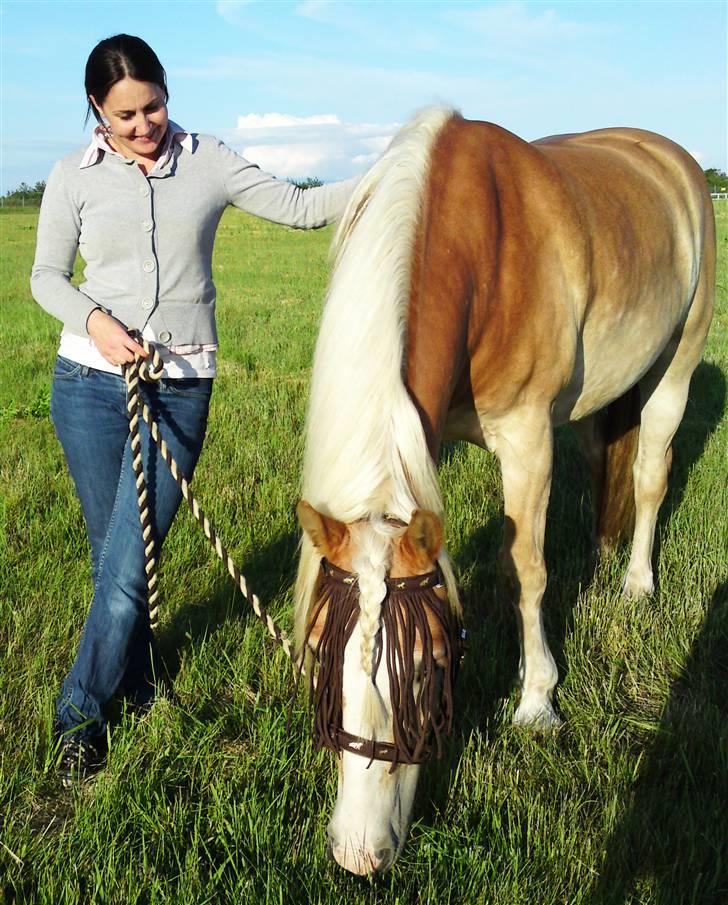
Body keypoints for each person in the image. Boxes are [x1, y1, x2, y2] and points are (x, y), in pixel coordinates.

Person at [31, 34, 359, 787]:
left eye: (153, 106)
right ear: (96, 111)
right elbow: (46, 275)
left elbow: (305, 209)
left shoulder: (208, 159)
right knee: (115, 559)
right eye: (125, 115)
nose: (144, 125)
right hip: (87, 387)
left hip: (178, 386)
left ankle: (76, 713)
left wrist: (400, 169)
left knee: (123, 570)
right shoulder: (71, 177)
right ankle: (140, 685)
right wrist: (97, 324)